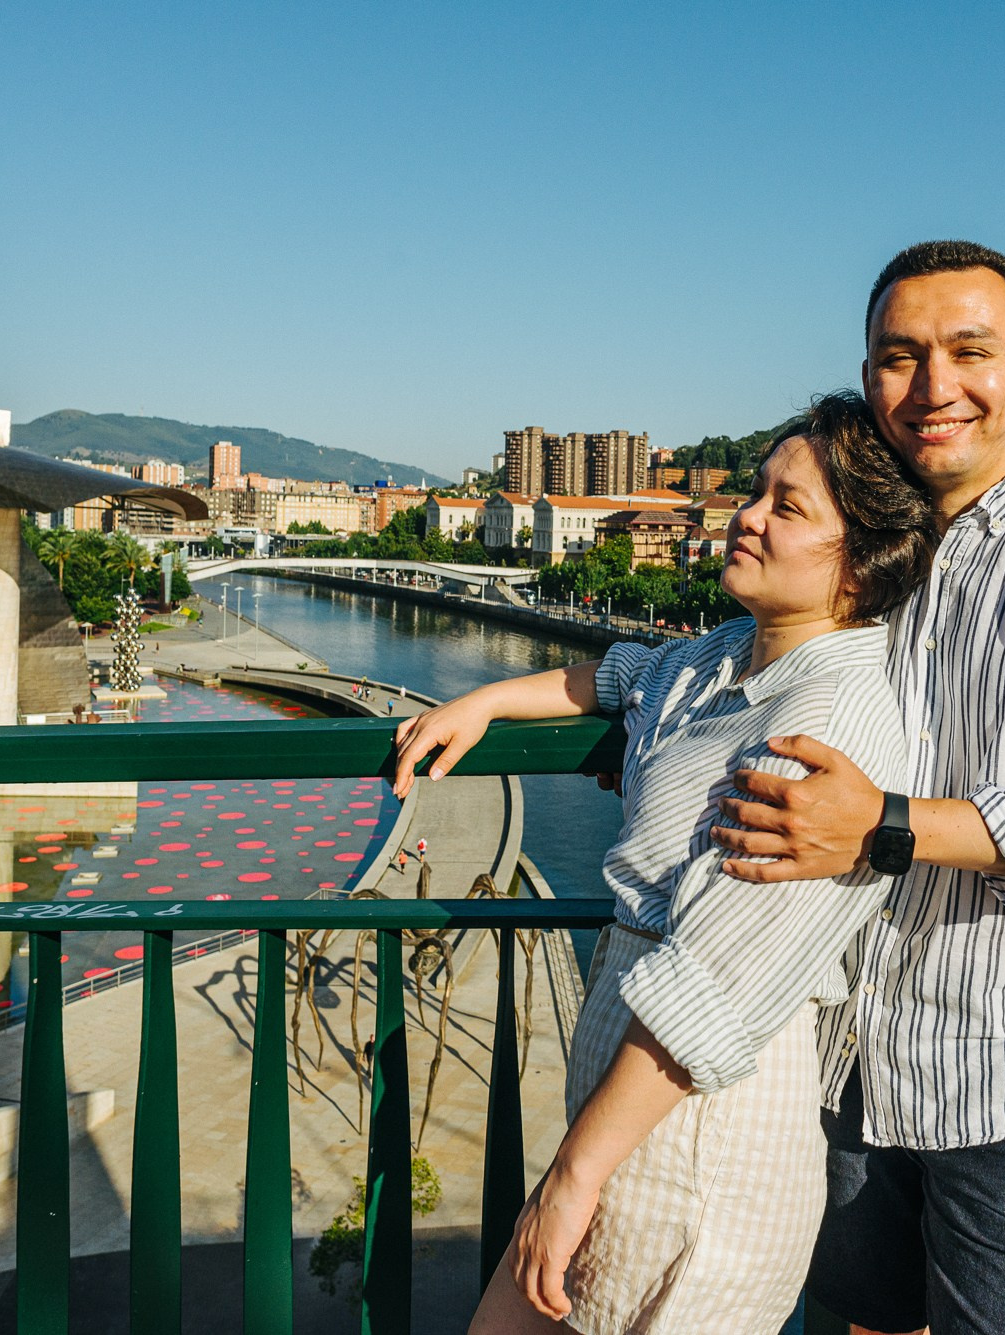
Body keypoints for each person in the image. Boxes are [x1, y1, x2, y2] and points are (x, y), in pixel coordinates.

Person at [709, 241, 1005, 1335]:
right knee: (858, 1320)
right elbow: (721, 661)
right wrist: (526, 695)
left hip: (1004, 1062)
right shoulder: (858, 537)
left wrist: (880, 827)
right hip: (833, 1051)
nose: (932, 387)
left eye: (966, 351)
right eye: (897, 357)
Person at [393, 393, 938, 1335]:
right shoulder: (728, 656)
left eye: (788, 506)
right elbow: (618, 675)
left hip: (702, 1128)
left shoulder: (834, 719)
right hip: (627, 1108)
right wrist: (482, 703)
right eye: (757, 490)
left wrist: (569, 1179)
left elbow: (712, 990)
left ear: (859, 564)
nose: (749, 516)